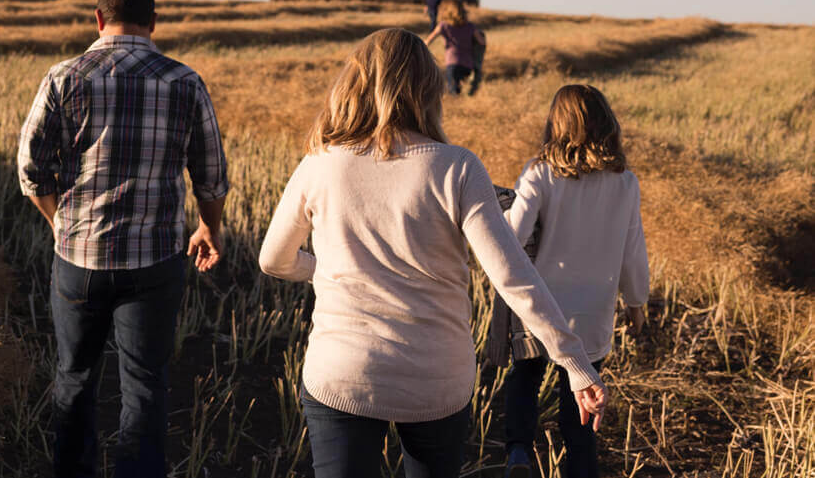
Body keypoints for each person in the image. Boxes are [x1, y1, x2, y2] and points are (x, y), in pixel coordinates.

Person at [258, 29, 608, 478]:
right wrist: (574, 364)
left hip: (343, 373)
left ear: (354, 84)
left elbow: (273, 260)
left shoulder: (320, 163)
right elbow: (512, 277)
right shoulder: (458, 167)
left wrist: (324, 269)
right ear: (429, 88)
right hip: (436, 381)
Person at [17, 0, 229, 478]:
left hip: (78, 259)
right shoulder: (184, 81)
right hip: (155, 262)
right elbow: (211, 177)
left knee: (73, 378)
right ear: (154, 23)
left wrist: (58, 224)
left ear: (98, 19)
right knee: (145, 384)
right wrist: (208, 228)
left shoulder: (64, 77)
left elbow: (31, 169)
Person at [502, 84, 649, 478]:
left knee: (526, 376)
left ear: (556, 124)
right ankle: (581, 468)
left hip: (543, 305)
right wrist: (636, 302)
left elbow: (512, 236)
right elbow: (634, 249)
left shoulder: (540, 173)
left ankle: (518, 451)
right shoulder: (625, 183)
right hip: (594, 310)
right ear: (608, 125)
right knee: (581, 402)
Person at [425, 0, 486, 95]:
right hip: (468, 64)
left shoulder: (443, 26)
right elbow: (482, 42)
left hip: (452, 63)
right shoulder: (470, 26)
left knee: (453, 93)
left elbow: (428, 40)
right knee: (465, 92)